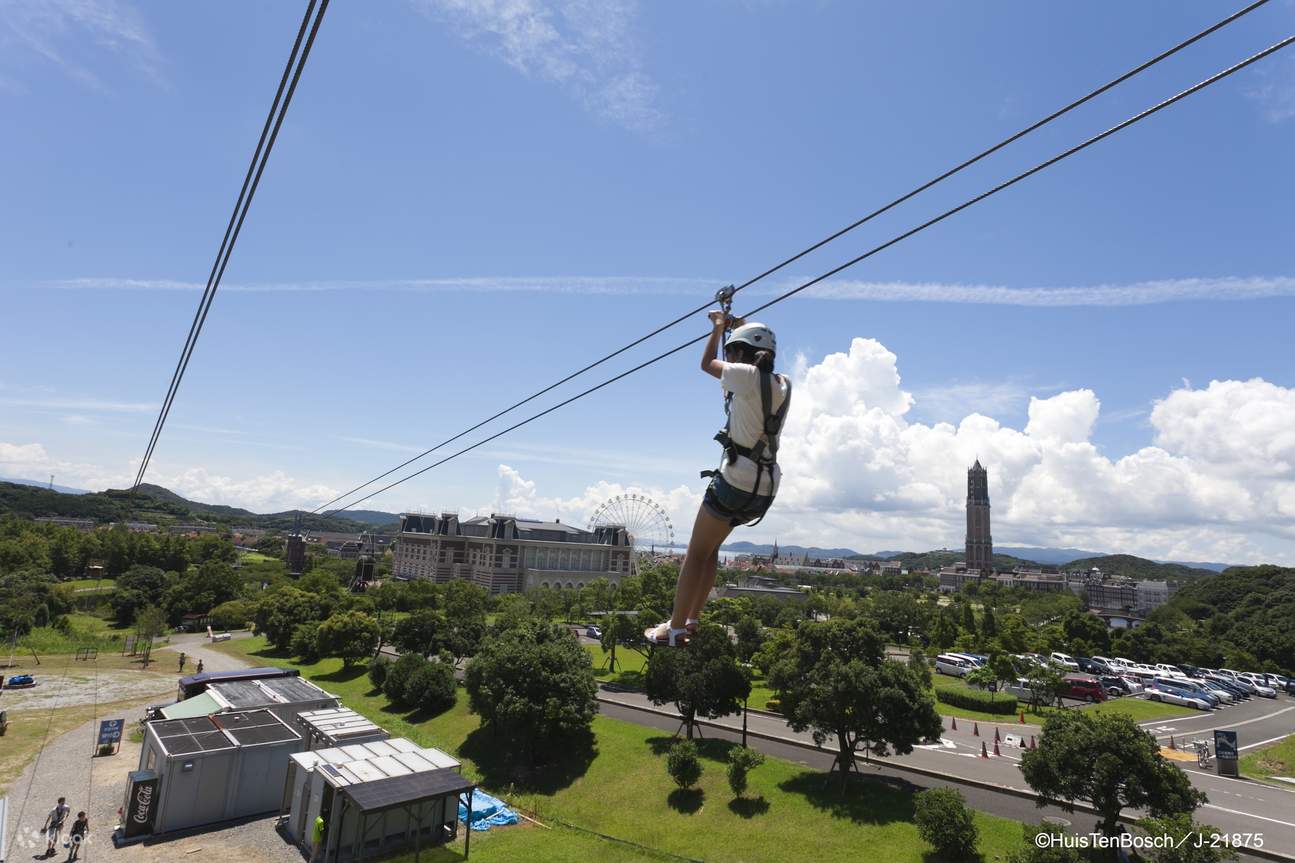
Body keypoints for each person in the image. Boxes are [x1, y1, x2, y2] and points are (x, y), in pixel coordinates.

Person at [645, 311, 790, 646]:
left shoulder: (745, 376)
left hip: (735, 481)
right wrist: (737, 328)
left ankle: (674, 628)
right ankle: (692, 620)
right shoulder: (782, 385)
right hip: (764, 489)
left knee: (695, 553)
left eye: (732, 352)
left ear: (738, 354)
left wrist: (716, 330)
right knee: (711, 551)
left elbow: (706, 363)